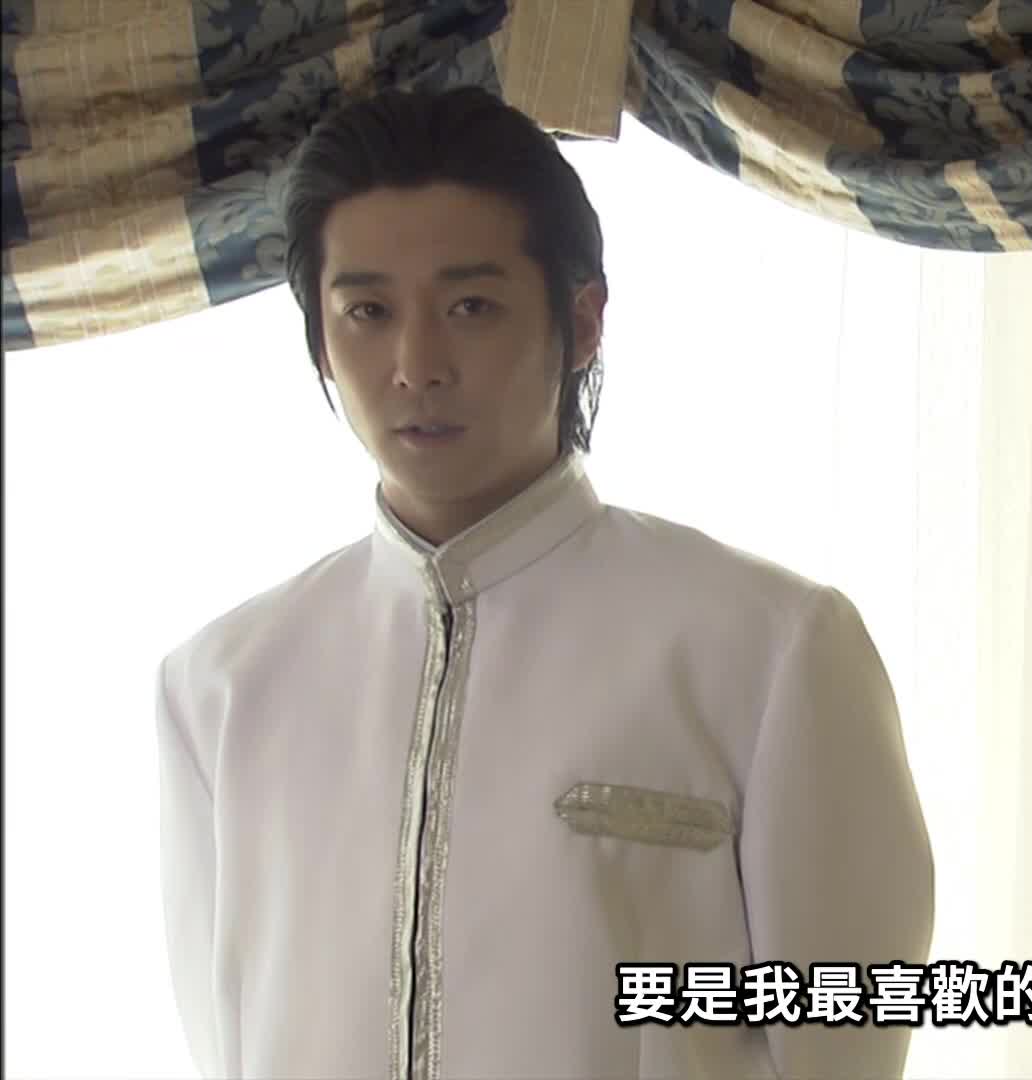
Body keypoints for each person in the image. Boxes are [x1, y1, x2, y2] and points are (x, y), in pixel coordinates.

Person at [154, 85, 935, 1080]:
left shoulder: (771, 649)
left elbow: (843, 1053)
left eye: (470, 307)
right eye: (368, 312)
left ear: (583, 320)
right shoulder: (220, 687)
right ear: (319, 341)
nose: (416, 365)